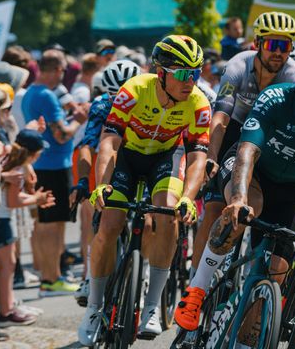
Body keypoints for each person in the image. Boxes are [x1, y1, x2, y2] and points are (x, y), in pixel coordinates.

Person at [174, 38, 295, 344]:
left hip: (289, 187)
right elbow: (248, 151)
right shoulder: (275, 98)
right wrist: (237, 199)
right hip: (250, 171)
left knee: (277, 272)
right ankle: (198, 288)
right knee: (250, 207)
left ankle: (243, 339)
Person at [78, 35, 210, 345]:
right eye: (181, 73)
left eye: (195, 73)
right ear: (160, 72)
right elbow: (109, 141)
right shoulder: (135, 90)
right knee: (109, 224)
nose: (189, 81)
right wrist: (102, 185)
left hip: (165, 158)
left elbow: (198, 157)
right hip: (127, 157)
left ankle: (152, 306)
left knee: (168, 216)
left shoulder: (198, 102)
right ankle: (94, 307)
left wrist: (188, 200)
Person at [192, 11, 295, 280]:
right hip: (234, 130)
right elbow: (221, 117)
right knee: (216, 209)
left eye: (284, 45)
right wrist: (212, 157)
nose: (278, 52)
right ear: (257, 44)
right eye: (272, 44)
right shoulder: (238, 66)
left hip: (269, 138)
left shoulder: (292, 74)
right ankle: (196, 282)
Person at [71, 60, 142, 306]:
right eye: (115, 97)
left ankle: (141, 276)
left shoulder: (151, 99)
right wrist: (82, 181)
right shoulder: (101, 105)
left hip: (141, 159)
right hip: (111, 159)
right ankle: (92, 275)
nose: (120, 104)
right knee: (100, 218)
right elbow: (87, 147)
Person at [21, 49, 88, 297]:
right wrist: (79, 120)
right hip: (54, 164)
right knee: (53, 225)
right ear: (58, 70)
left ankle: (48, 277)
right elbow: (61, 134)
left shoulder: (31, 92)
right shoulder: (47, 96)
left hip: (43, 165)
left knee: (45, 224)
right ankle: (51, 279)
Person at [0, 129, 54, 327]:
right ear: (33, 154)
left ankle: (7, 307)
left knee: (5, 265)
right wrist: (36, 199)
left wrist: (35, 198)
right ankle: (6, 311)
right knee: (7, 266)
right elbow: (13, 201)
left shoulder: (5, 158)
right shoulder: (17, 169)